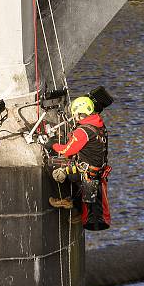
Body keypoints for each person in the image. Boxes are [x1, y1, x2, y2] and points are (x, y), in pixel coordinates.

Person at [46, 96, 112, 231]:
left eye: (75, 114)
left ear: (80, 114)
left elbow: (66, 150)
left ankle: (63, 198)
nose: (74, 117)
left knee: (52, 164)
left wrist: (52, 144)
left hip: (85, 172)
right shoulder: (99, 125)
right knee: (75, 172)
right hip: (97, 172)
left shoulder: (83, 131)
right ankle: (77, 205)